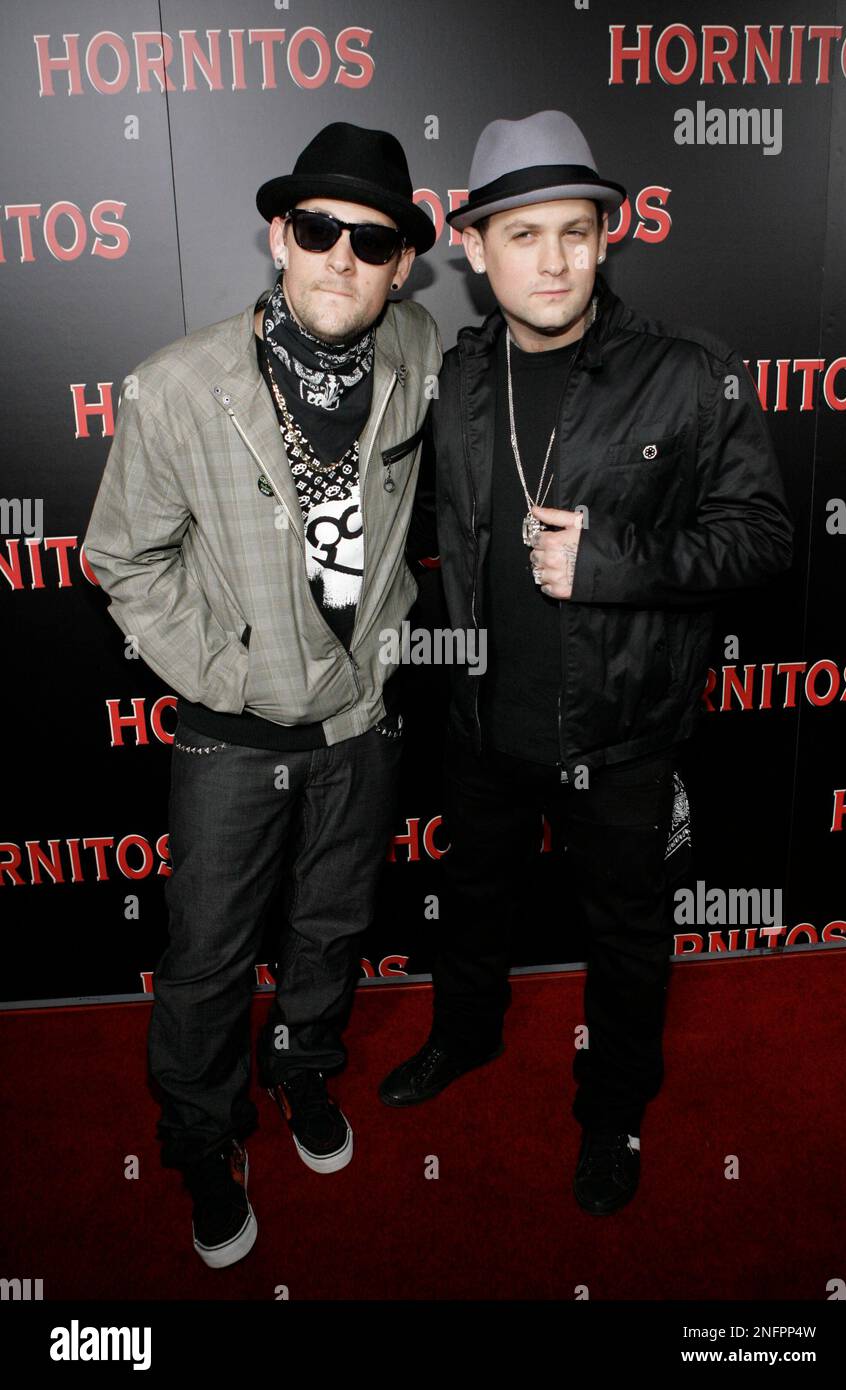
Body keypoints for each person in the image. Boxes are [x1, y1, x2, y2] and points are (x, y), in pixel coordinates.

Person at [380, 110, 793, 1215]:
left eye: (574, 230)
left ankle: (610, 1105)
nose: (552, 260)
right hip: (479, 721)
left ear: (608, 236)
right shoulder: (453, 379)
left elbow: (761, 536)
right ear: (470, 247)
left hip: (622, 729)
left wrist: (612, 559)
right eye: (522, 235)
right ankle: (461, 1038)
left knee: (625, 932)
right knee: (471, 899)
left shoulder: (685, 373)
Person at [84, 121, 442, 1266]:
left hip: (360, 719)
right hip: (228, 734)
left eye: (371, 240)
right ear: (278, 236)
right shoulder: (178, 384)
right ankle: (200, 1134)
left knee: (332, 924)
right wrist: (225, 669)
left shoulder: (420, 353)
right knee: (205, 952)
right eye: (318, 229)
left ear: (401, 267)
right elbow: (120, 558)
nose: (342, 256)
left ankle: (302, 1069)